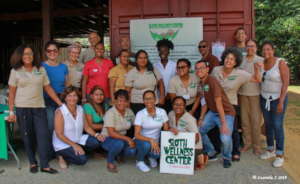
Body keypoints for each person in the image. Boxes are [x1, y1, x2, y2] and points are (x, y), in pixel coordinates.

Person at [8, 44, 62, 174]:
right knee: (28, 137)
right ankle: (32, 162)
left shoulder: (40, 69)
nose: (28, 56)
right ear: (20, 56)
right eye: (25, 54)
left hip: (39, 107)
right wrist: (11, 111)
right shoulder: (15, 71)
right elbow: (11, 93)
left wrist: (60, 103)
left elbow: (48, 88)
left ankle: (44, 164)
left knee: (43, 135)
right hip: (22, 108)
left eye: (30, 54)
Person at [211, 48, 260, 162]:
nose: (229, 61)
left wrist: (257, 69)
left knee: (232, 130)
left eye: (232, 59)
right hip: (216, 104)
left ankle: (235, 152)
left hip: (230, 105)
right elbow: (211, 85)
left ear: (236, 62)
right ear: (224, 58)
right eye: (227, 58)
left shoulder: (240, 73)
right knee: (213, 128)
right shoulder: (215, 70)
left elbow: (256, 79)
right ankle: (216, 149)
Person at [195, 60, 236, 168]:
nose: (199, 70)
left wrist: (223, 123)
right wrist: (201, 118)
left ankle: (227, 157)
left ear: (207, 69)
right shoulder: (200, 83)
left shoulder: (212, 81)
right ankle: (211, 151)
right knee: (199, 130)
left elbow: (219, 103)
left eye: (202, 68)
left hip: (226, 113)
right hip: (213, 112)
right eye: (197, 68)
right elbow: (204, 103)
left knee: (225, 138)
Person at [53, 87, 105, 169]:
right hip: (63, 143)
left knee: (96, 142)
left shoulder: (80, 109)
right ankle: (60, 156)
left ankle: (77, 151)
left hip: (78, 138)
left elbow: (87, 127)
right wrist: (74, 145)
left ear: (78, 97)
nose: (72, 98)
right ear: (65, 98)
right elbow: (59, 134)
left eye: (75, 96)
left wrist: (96, 135)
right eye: (69, 96)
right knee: (82, 160)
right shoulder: (60, 111)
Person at [259, 41, 289, 168]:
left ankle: (280, 154)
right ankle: (270, 149)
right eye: (264, 50)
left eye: (268, 49)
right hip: (264, 98)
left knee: (277, 125)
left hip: (277, 98)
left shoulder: (280, 63)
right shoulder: (262, 63)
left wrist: (281, 101)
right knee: (268, 124)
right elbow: (258, 79)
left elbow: (286, 83)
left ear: (273, 50)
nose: (266, 52)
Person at [101, 89, 136, 173]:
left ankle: (118, 154)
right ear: (115, 101)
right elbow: (111, 133)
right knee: (118, 143)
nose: (122, 103)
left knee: (132, 150)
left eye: (125, 101)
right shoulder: (110, 113)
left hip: (121, 139)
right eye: (120, 100)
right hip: (107, 139)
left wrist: (135, 138)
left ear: (128, 102)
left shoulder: (129, 112)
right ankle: (110, 161)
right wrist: (128, 139)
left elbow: (136, 125)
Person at [168, 96, 208, 170]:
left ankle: (202, 155)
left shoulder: (190, 119)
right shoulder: (170, 114)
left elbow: (196, 138)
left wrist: (181, 136)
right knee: (170, 161)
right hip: (177, 144)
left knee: (190, 166)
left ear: (184, 106)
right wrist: (170, 129)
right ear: (172, 105)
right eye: (176, 104)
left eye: (181, 104)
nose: (178, 107)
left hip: (193, 145)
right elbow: (168, 127)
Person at [239, 40, 264, 155]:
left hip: (255, 94)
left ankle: (257, 145)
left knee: (255, 121)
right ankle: (247, 143)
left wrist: (258, 69)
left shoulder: (260, 60)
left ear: (256, 48)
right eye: (248, 46)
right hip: (242, 94)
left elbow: (262, 78)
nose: (250, 48)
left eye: (252, 46)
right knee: (244, 121)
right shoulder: (241, 60)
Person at [134, 90, 169, 172]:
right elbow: (137, 134)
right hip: (142, 141)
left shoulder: (162, 112)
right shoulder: (140, 114)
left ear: (155, 100)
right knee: (146, 145)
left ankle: (150, 156)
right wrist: (151, 140)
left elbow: (166, 129)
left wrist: (172, 130)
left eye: (151, 98)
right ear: (143, 101)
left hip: (155, 143)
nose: (148, 101)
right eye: (146, 99)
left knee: (158, 155)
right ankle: (139, 161)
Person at [125, 50, 165, 114]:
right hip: (137, 104)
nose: (143, 60)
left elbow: (161, 83)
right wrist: (128, 105)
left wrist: (162, 97)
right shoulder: (132, 73)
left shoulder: (153, 69)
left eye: (145, 58)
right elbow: (127, 92)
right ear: (136, 60)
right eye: (140, 58)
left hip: (153, 103)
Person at [42, 41, 69, 137]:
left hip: (61, 98)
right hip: (47, 99)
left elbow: (66, 85)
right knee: (51, 125)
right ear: (46, 52)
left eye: (55, 50)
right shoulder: (41, 66)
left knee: (62, 124)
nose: (52, 53)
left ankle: (61, 147)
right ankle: (50, 148)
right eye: (49, 51)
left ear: (58, 52)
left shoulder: (64, 67)